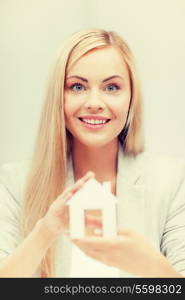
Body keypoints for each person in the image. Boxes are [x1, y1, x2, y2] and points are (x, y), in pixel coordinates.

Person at [0, 28, 185, 278]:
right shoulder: (13, 183)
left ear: (131, 97)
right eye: (77, 86)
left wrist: (152, 267)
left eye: (111, 87)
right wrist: (45, 232)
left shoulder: (172, 181)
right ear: (59, 97)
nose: (94, 103)